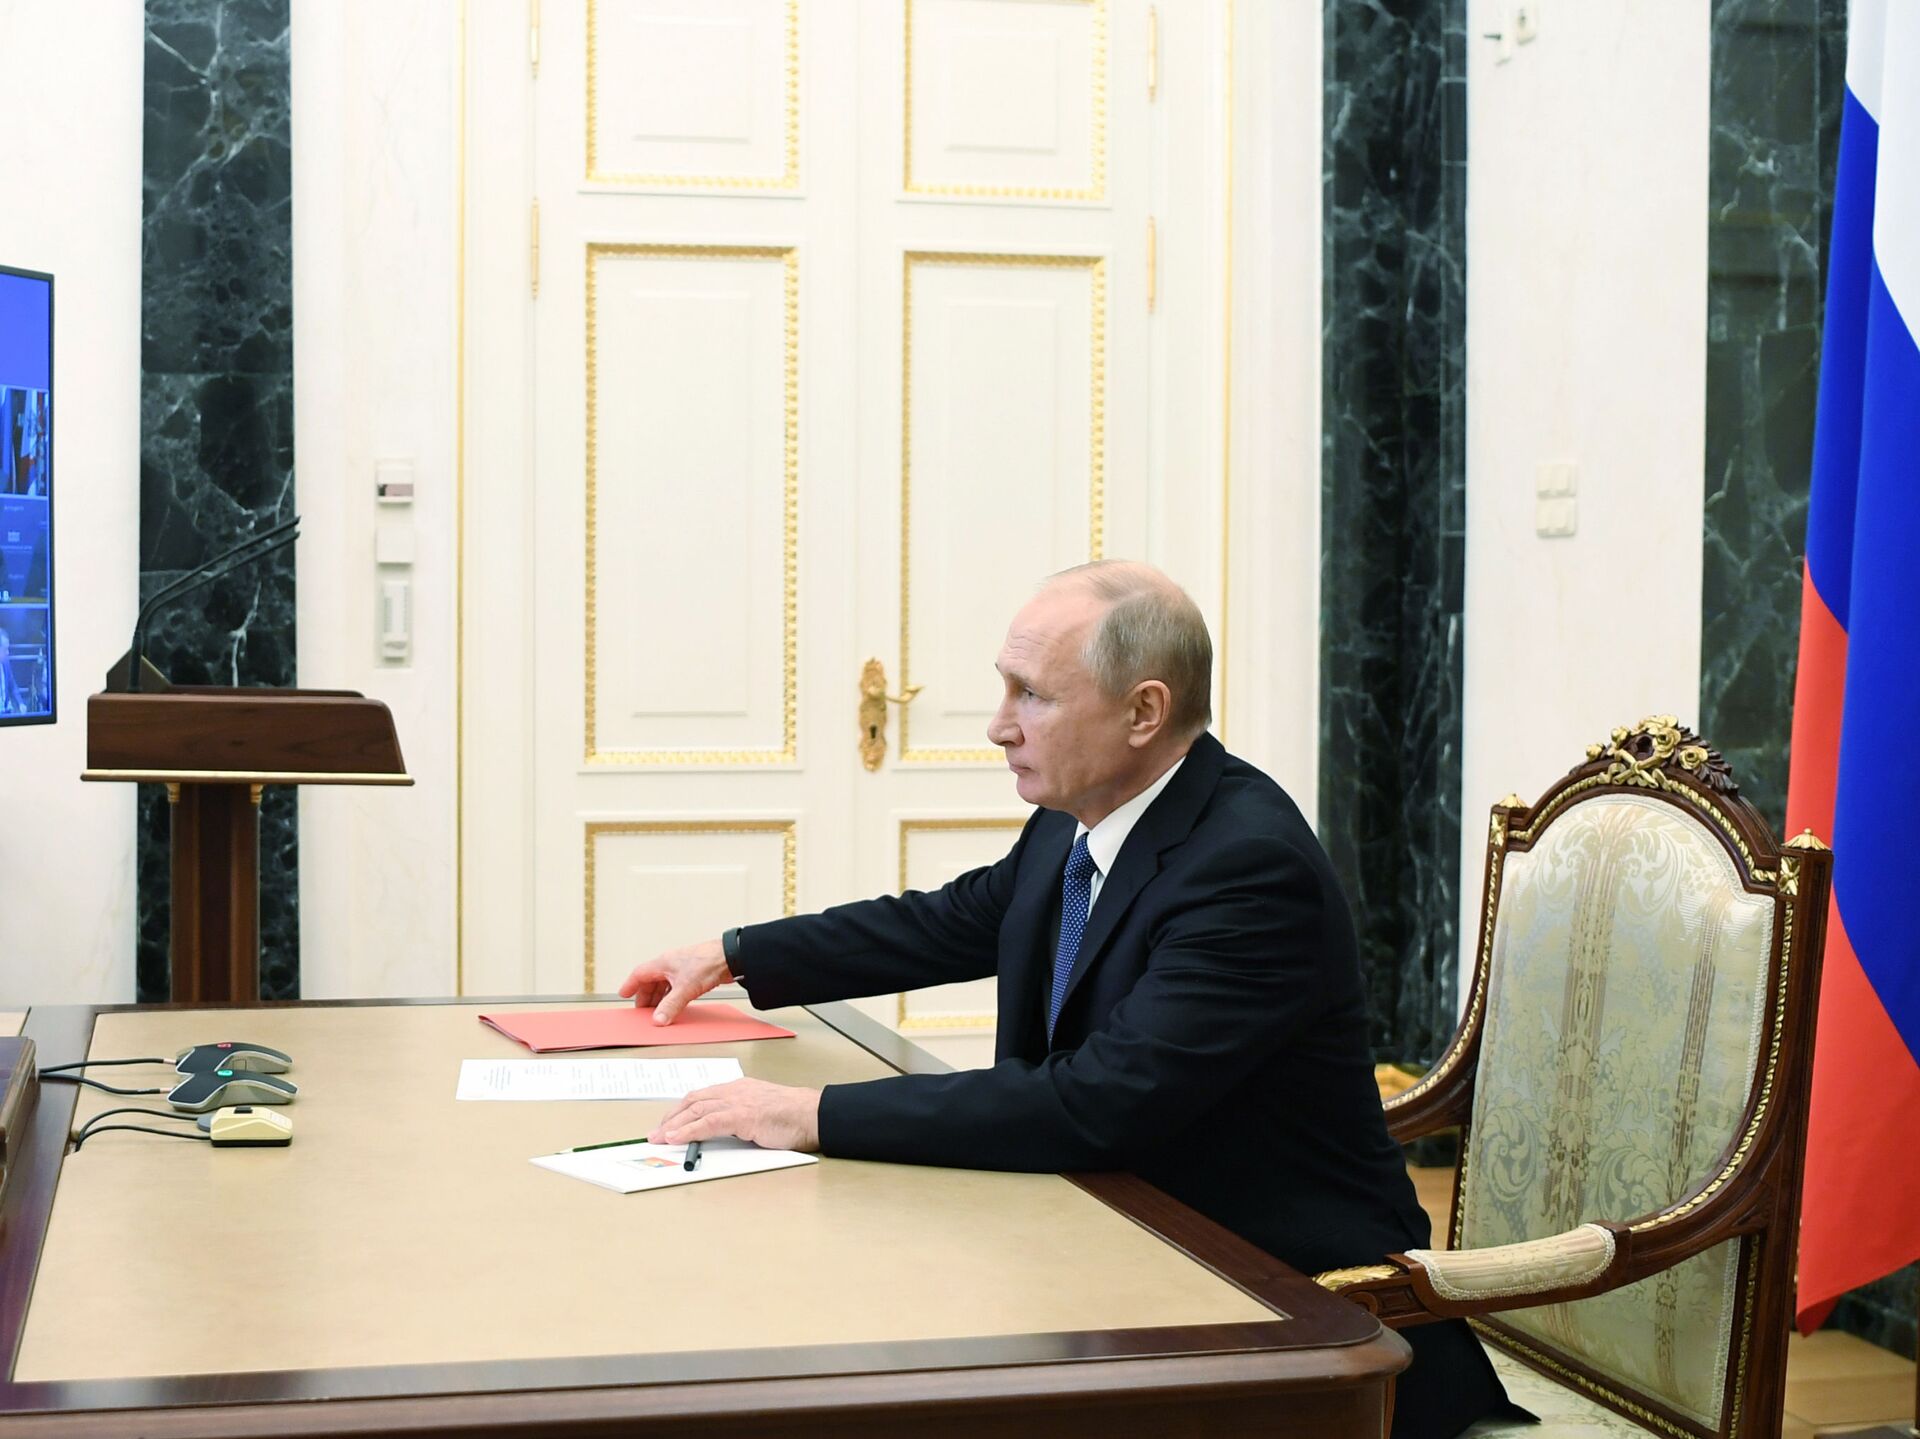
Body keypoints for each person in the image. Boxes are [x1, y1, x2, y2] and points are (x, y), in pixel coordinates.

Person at [620, 560, 1515, 1439]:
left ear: (1144, 711)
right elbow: (949, 921)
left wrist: (807, 1112)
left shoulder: (1248, 868)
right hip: (1110, 1256)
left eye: (1032, 695)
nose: (997, 726)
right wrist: (735, 955)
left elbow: (1098, 1100)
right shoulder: (1077, 818)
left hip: (1285, 1318)